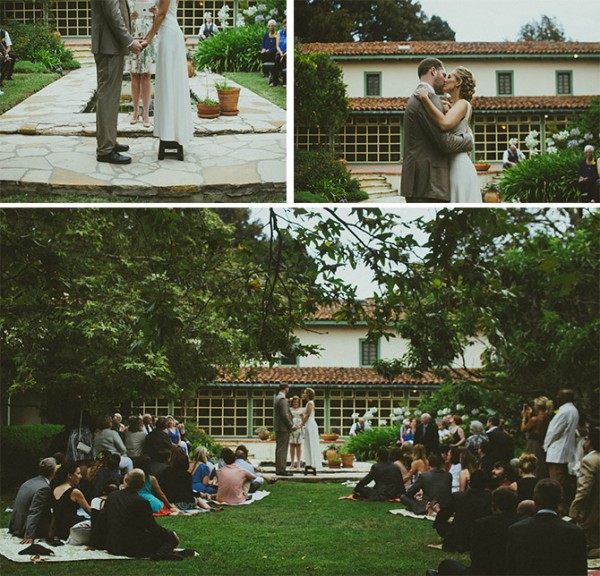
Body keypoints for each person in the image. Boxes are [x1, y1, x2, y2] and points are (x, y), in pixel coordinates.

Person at [400, 58, 474, 203]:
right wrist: (469, 140)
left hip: (427, 180)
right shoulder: (426, 97)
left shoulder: (428, 97)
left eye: (449, 77)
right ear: (433, 71)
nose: (445, 80)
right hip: (427, 182)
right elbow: (445, 142)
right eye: (444, 74)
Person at [414, 66, 480, 202]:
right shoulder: (456, 105)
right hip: (453, 163)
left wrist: (425, 99)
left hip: (458, 165)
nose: (444, 80)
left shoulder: (462, 104)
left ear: (458, 82)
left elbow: (444, 124)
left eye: (449, 77)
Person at [91, 0, 143, 164]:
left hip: (111, 46)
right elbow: (112, 13)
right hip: (108, 46)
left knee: (110, 98)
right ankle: (105, 150)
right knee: (107, 97)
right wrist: (128, 41)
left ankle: (109, 141)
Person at [141, 0, 194, 160]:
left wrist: (148, 38)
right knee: (169, 84)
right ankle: (171, 130)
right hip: (168, 34)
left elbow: (163, 14)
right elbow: (163, 11)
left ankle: (171, 132)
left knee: (171, 84)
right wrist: (154, 12)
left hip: (169, 36)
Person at [506, 479, 587, 575]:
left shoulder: (516, 530)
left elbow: (511, 570)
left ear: (535, 500)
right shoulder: (575, 533)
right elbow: (580, 571)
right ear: (560, 501)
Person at [435, 486, 519, 576]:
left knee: (446, 565)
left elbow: (476, 555)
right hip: (510, 571)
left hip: (485, 571)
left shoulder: (482, 524)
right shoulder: (521, 523)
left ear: (494, 504)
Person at [104, 468, 180, 559]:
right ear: (142, 484)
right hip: (133, 547)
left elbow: (104, 519)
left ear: (126, 480)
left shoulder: (112, 496)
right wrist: (171, 534)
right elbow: (152, 527)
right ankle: (160, 554)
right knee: (170, 540)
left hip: (113, 544)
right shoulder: (141, 502)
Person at [435, 469, 492, 553]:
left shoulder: (458, 497)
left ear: (470, 483)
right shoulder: (491, 497)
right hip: (481, 534)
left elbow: (443, 516)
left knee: (441, 524)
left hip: (461, 534)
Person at [543, 388, 579, 514]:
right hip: (563, 450)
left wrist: (546, 445)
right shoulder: (573, 410)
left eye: (559, 396)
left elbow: (554, 431)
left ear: (565, 398)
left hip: (557, 451)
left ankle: (561, 509)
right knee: (562, 481)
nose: (557, 398)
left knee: (557, 482)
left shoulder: (565, 411)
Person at [9, 457, 57, 543]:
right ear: (53, 471)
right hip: (25, 529)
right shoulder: (44, 488)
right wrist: (29, 535)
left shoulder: (28, 482)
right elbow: (35, 511)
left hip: (16, 526)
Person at [569, 426, 599, 558]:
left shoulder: (589, 461)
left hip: (593, 512)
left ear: (590, 441)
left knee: (589, 548)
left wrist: (574, 512)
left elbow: (584, 490)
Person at [126, 0, 156, 127]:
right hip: (133, 39)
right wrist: (130, 18)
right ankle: (135, 111)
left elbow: (160, 20)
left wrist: (155, 14)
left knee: (146, 76)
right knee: (134, 77)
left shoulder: (153, 1)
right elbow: (121, 20)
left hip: (149, 41)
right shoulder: (129, 1)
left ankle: (145, 113)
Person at [52, 461, 92, 540]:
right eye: (78, 473)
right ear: (70, 475)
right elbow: (89, 511)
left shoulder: (55, 489)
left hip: (59, 528)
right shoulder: (75, 492)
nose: (80, 476)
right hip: (71, 527)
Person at [520, 396, 552, 478]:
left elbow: (523, 429)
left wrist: (524, 417)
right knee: (540, 463)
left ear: (537, 406)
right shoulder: (547, 418)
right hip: (541, 442)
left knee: (531, 461)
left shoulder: (535, 419)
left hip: (533, 443)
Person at [273, 383, 294, 475]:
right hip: (283, 428)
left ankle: (279, 468)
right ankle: (281, 469)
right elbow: (285, 414)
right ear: (286, 389)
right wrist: (291, 425)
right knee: (282, 449)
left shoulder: (277, 398)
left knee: (279, 448)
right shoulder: (282, 399)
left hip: (279, 427)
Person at [300, 387, 321, 475]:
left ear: (308, 394)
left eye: (305, 393)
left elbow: (308, 415)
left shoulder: (310, 403)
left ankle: (312, 463)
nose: (303, 394)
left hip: (310, 424)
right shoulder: (310, 403)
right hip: (309, 423)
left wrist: (301, 424)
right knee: (308, 444)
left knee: (311, 443)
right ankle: (309, 462)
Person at [270, 19, 286, 88]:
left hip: (287, 52)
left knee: (286, 60)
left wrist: (284, 55)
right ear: (283, 26)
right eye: (285, 26)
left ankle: (285, 81)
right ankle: (274, 81)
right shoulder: (279, 32)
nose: (286, 28)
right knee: (277, 59)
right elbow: (277, 46)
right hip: (280, 51)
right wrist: (281, 53)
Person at [289, 395, 304, 470]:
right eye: (294, 402)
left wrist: (300, 426)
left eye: (297, 402)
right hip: (291, 428)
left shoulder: (301, 410)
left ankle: (298, 463)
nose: (295, 403)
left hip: (298, 429)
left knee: (298, 446)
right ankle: (292, 463)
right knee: (292, 446)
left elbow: (303, 419)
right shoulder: (289, 409)